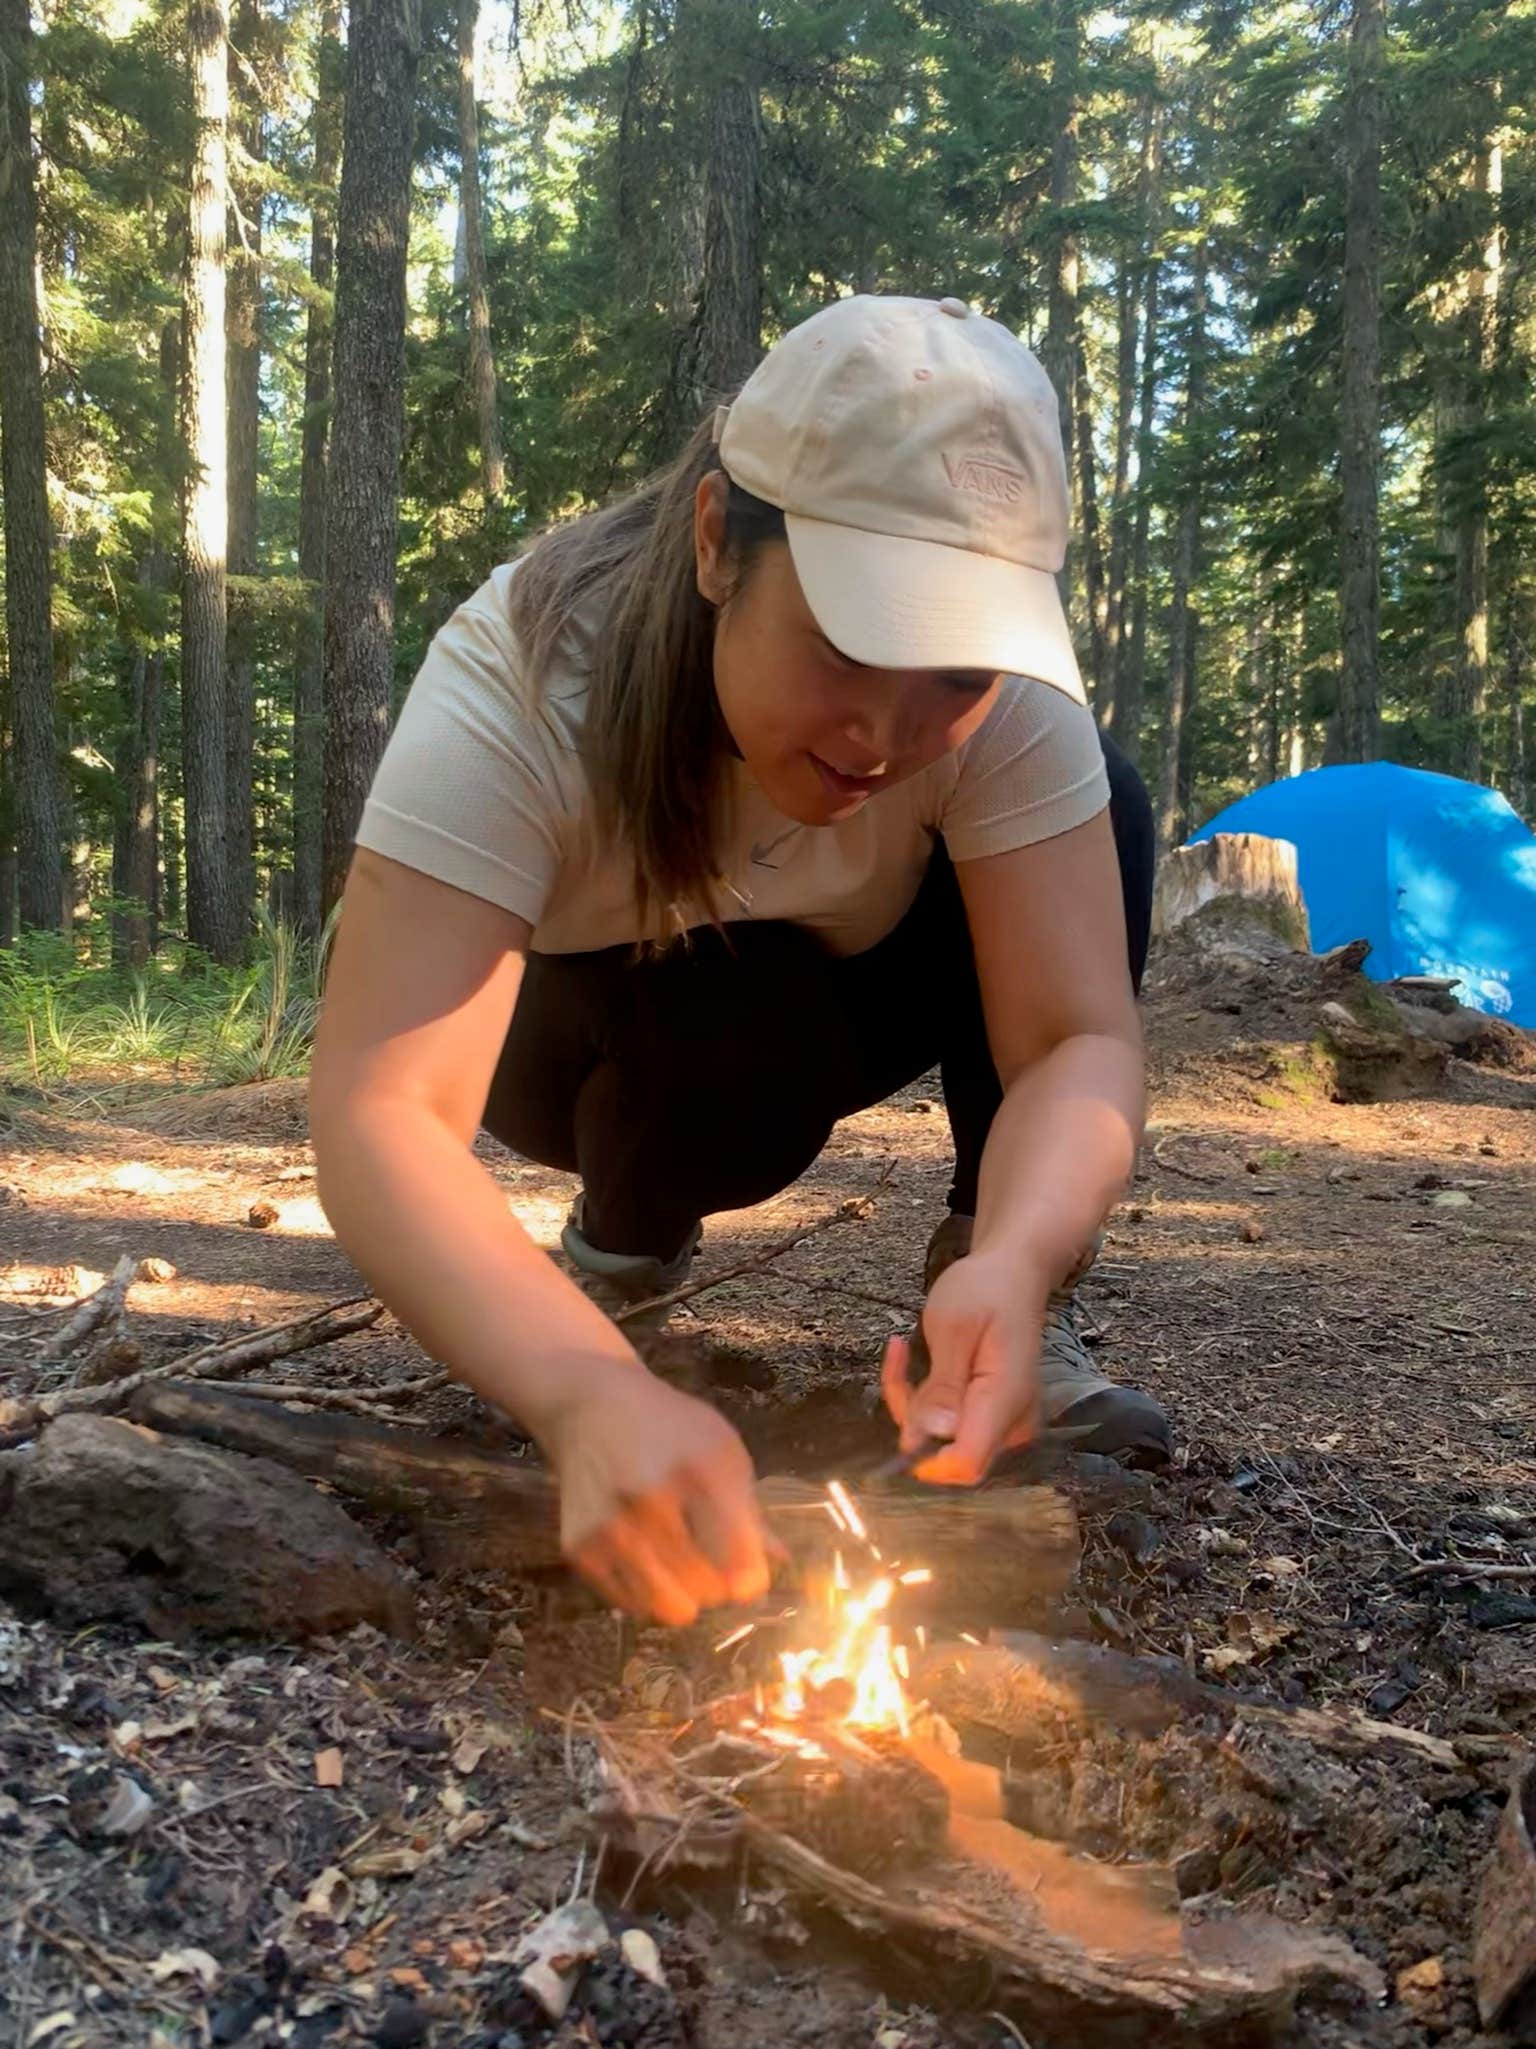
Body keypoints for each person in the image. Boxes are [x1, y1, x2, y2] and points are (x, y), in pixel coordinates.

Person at [310, 292, 1169, 1630]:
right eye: (850, 638)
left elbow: (1075, 1041)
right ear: (719, 537)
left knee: (1098, 802)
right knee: (725, 1002)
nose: (888, 729)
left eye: (955, 672)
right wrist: (583, 1390)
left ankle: (987, 1316)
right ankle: (608, 1283)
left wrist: (1016, 1250)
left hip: (825, 1000)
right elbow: (383, 1109)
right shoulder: (532, 673)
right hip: (569, 1039)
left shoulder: (1003, 714)